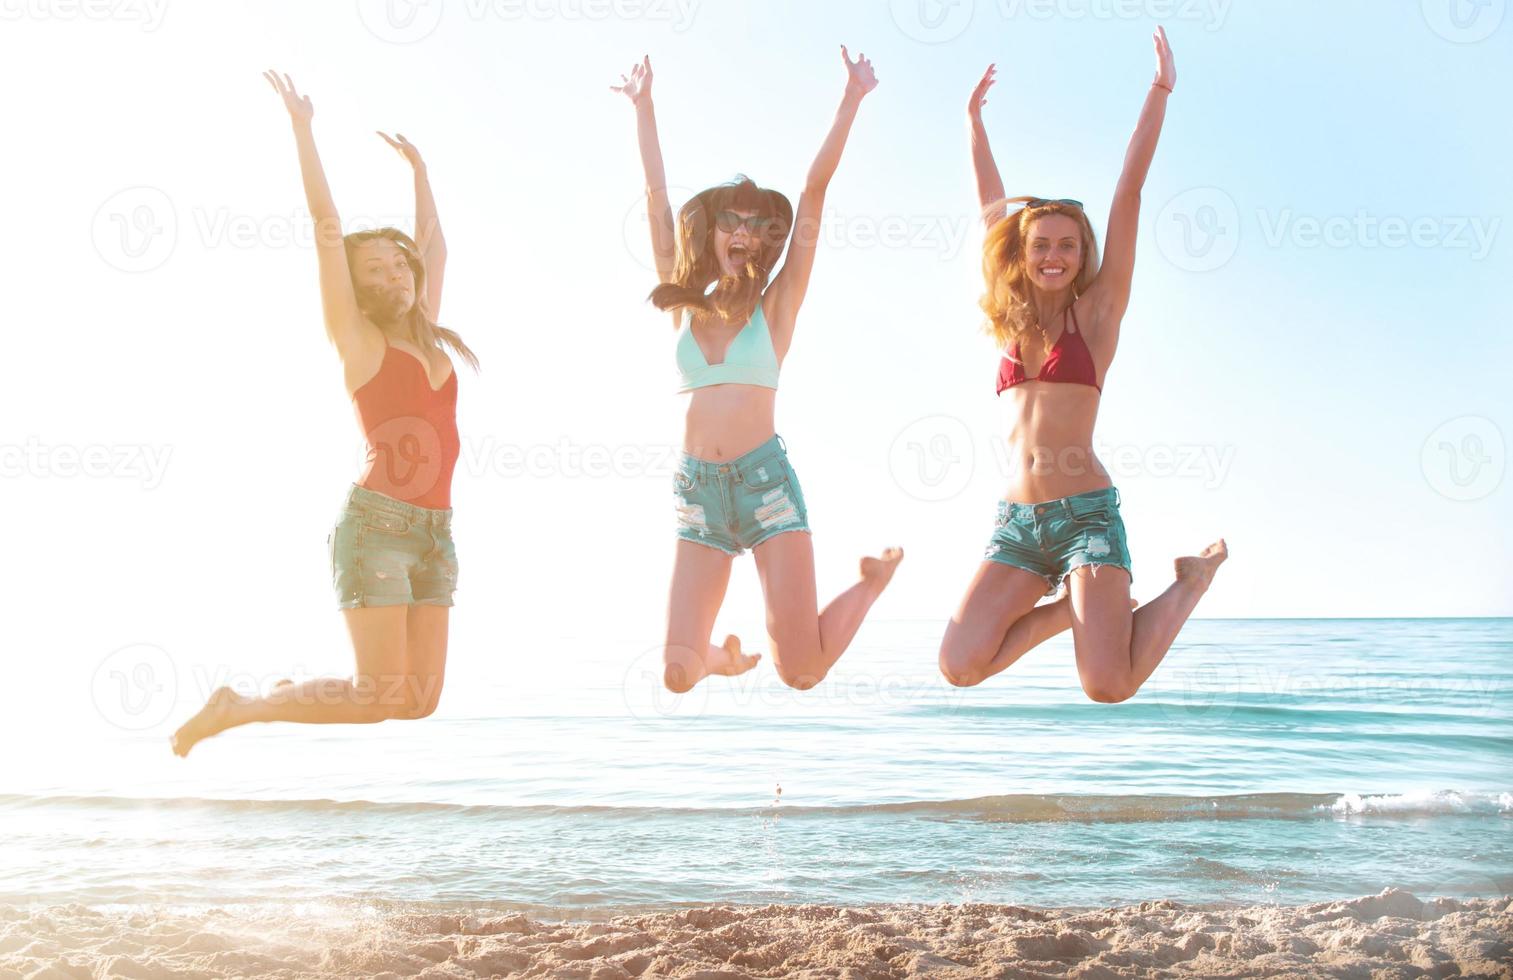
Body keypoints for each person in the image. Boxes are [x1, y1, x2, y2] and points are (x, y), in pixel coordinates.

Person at [170, 71, 479, 756]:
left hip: (435, 532)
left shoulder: (426, 330)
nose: (393, 274)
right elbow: (325, 228)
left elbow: (438, 248)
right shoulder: (358, 339)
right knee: (376, 700)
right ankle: (242, 706)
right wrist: (303, 128)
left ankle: (278, 696)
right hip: (377, 528)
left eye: (398, 264)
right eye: (374, 269)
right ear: (355, 284)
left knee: (417, 704)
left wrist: (421, 172)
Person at [938, 28, 1227, 701]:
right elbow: (989, 213)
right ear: (1024, 251)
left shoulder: (1095, 316)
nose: (1053, 255)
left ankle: (1188, 583)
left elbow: (1126, 191)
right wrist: (971, 122)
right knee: (958, 664)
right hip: (1015, 527)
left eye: (1067, 245)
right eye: (1041, 244)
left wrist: (1157, 93)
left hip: (1084, 518)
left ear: (1080, 252)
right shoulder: (1008, 317)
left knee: (1107, 684)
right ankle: (1068, 611)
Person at [613, 49, 904, 693]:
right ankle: (717, 657)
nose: (741, 230)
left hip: (765, 488)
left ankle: (871, 583)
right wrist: (644, 107)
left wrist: (851, 100)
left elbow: (814, 192)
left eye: (753, 223)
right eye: (730, 220)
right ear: (712, 233)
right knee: (677, 673)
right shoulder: (681, 308)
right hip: (697, 498)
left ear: (763, 238)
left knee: (801, 671)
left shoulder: (775, 311)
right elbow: (657, 199)